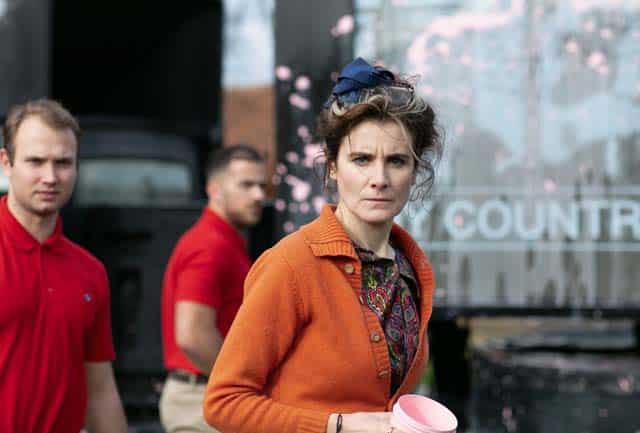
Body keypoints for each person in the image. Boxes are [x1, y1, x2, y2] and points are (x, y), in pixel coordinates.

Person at [203, 57, 443, 433]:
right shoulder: (292, 264)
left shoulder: (410, 267)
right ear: (333, 166)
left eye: (396, 161)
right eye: (361, 159)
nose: (379, 178)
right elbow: (223, 402)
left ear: (415, 172)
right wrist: (338, 424)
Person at [0, 99, 127, 433]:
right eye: (36, 161)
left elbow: (100, 391)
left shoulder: (90, 272)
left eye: (63, 163)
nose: (50, 177)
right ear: (6, 163)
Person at [159, 144, 267, 433]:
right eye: (246, 185)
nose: (258, 195)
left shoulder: (224, 242)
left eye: (262, 185)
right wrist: (243, 385)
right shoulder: (209, 245)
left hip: (208, 394)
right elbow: (192, 335)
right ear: (214, 189)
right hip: (202, 400)